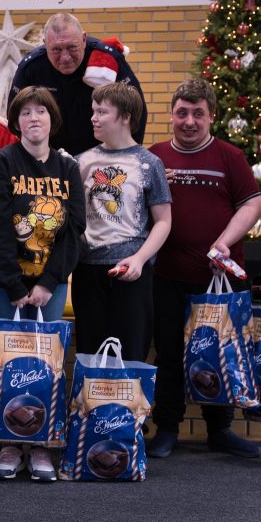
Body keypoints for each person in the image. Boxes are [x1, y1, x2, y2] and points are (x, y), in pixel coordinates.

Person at [146, 79, 261, 459]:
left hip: (220, 279)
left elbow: (252, 204)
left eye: (198, 113)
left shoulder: (230, 156)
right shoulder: (154, 156)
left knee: (221, 354)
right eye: (182, 113)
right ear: (171, 115)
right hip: (167, 276)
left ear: (212, 116)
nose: (189, 121)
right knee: (168, 354)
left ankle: (220, 430)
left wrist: (224, 241)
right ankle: (167, 428)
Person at [0, 86, 86, 481]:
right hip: (4, 283)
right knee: (7, 365)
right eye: (25, 112)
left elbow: (75, 229)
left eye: (41, 111)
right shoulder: (2, 162)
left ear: (52, 119)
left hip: (49, 284)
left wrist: (49, 281)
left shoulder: (67, 167)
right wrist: (13, 285)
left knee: (46, 365)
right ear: (17, 121)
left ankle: (41, 444)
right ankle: (8, 444)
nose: (33, 118)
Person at [73, 82, 172, 363]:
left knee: (130, 357)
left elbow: (163, 221)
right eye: (93, 111)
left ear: (125, 117)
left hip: (131, 272)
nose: (93, 118)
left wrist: (140, 259)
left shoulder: (149, 163)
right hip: (88, 270)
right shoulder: (81, 161)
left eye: (102, 112)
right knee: (90, 357)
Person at [8, 12, 146, 156]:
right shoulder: (31, 67)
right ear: (45, 43)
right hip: (51, 159)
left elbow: (136, 111)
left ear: (83, 39)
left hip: (103, 157)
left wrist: (128, 156)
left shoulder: (107, 58)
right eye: (56, 49)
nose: (65, 57)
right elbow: (15, 117)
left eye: (72, 47)